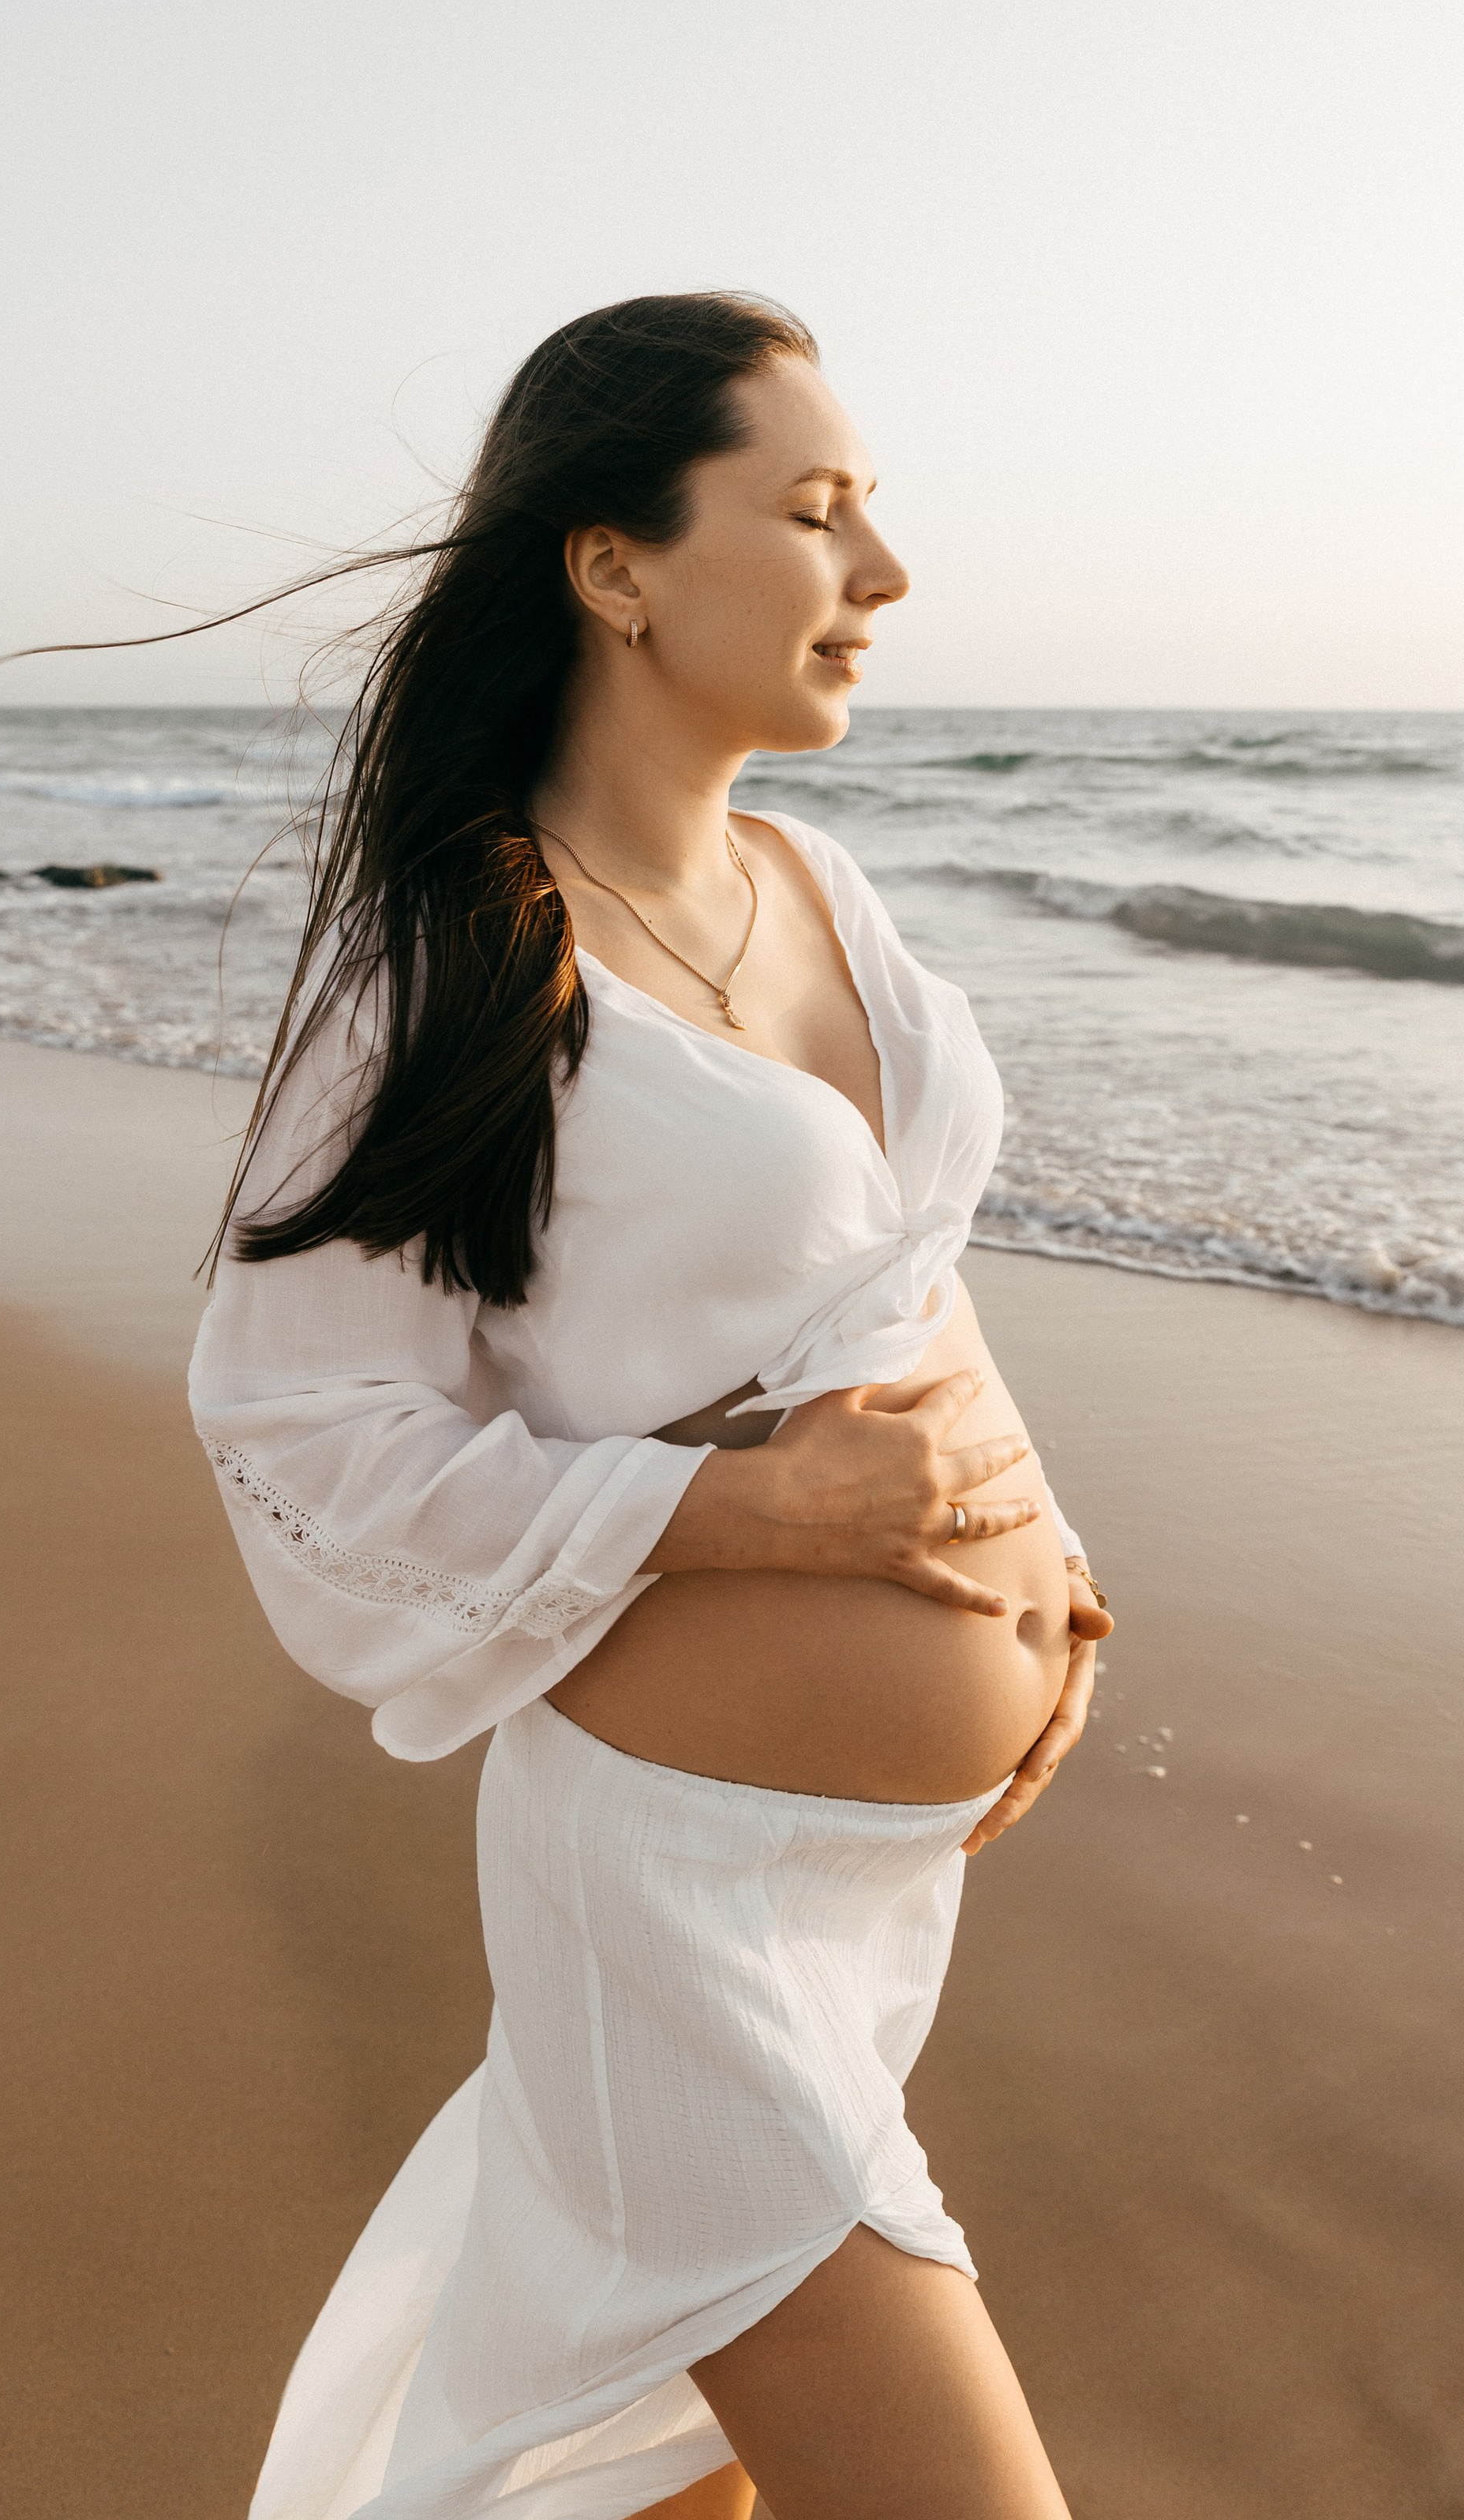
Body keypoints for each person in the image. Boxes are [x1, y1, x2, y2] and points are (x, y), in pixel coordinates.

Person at [189, 291, 1114, 2520]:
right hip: (670, 1904)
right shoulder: (454, 956)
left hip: (857, 1903)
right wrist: (752, 1526)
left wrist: (1053, 1562)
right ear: (616, 565)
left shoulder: (820, 886)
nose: (880, 570)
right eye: (814, 512)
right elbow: (300, 1433)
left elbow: (895, 1275)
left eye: (872, 510)